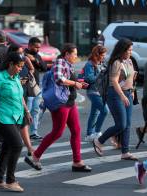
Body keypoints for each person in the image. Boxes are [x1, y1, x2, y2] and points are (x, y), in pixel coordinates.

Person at [25, 43, 92, 172]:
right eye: (75, 54)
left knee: (76, 130)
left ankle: (77, 162)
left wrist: (79, 83)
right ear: (67, 54)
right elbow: (59, 79)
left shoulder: (68, 64)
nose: (76, 57)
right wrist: (75, 83)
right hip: (61, 103)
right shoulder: (60, 62)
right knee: (57, 132)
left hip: (69, 102)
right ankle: (35, 156)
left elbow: (68, 80)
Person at [0, 52, 32, 192]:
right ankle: (10, 180)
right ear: (10, 64)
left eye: (22, 66)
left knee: (7, 147)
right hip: (2, 117)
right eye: (19, 66)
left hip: (16, 117)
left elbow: (20, 96)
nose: (21, 69)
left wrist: (26, 111)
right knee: (17, 144)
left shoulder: (15, 77)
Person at [92, 38, 137, 160]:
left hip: (127, 93)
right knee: (121, 124)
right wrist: (122, 95)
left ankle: (125, 152)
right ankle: (99, 141)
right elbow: (114, 81)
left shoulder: (129, 61)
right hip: (116, 95)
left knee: (127, 124)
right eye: (128, 50)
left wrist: (131, 90)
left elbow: (131, 77)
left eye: (131, 50)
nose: (130, 52)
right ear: (122, 50)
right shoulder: (116, 62)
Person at [7, 44, 36, 155]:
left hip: (21, 96)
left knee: (24, 123)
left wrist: (28, 76)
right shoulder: (8, 68)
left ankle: (29, 148)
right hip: (9, 100)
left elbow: (31, 70)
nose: (22, 55)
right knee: (13, 126)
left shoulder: (23, 61)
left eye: (22, 52)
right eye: (19, 52)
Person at [83, 45, 109, 142]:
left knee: (94, 113)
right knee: (105, 111)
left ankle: (89, 134)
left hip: (101, 92)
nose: (104, 57)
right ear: (97, 54)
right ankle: (97, 132)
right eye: (102, 55)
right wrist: (101, 74)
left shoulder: (102, 63)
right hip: (93, 92)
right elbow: (89, 78)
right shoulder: (90, 64)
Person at [24, 37, 47, 140]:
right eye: (36, 47)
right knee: (26, 111)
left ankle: (34, 132)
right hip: (26, 87)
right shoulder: (23, 54)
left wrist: (35, 60)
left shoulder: (37, 56)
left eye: (39, 47)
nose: (38, 49)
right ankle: (23, 132)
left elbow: (44, 67)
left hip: (36, 87)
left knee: (36, 110)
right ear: (29, 46)